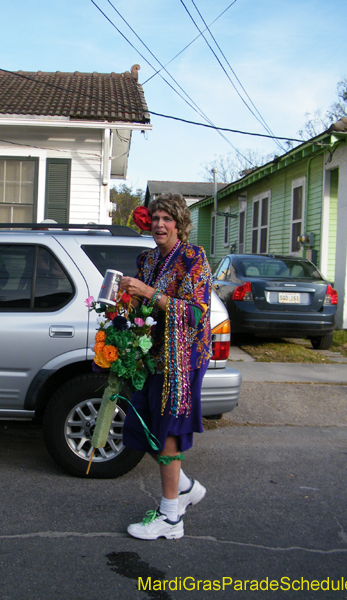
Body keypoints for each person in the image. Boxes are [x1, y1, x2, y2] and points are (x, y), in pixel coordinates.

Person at [119, 192, 213, 541]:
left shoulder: (193, 258)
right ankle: (185, 488)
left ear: (179, 224)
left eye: (167, 219)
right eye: (155, 217)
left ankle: (171, 518)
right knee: (145, 427)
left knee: (169, 433)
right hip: (151, 357)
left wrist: (147, 292)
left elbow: (195, 313)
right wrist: (122, 302)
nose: (160, 224)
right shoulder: (146, 260)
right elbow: (141, 309)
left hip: (182, 361)